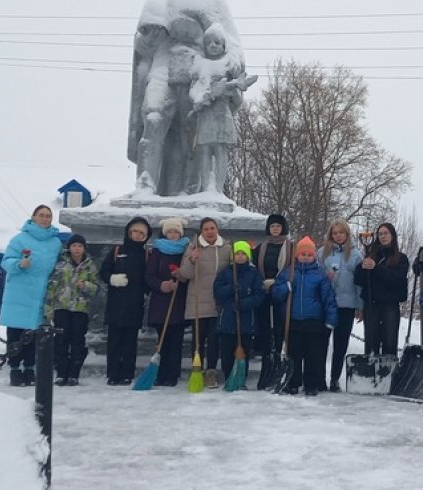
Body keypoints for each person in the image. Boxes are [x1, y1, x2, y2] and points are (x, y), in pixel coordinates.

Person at [127, 0, 243, 196]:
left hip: (196, 69)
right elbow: (142, 46)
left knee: (191, 132)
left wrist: (231, 61)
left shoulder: (213, 4)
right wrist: (148, 38)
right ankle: (145, 183)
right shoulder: (158, 3)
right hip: (163, 64)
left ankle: (189, 187)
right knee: (153, 117)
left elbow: (231, 42)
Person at [188, 23, 257, 193]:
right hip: (205, 115)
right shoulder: (200, 65)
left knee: (220, 150)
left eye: (217, 43)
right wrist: (206, 96)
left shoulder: (228, 66)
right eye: (209, 43)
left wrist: (230, 91)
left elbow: (237, 101)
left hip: (222, 114)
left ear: (223, 45)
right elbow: (194, 92)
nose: (212, 46)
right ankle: (205, 189)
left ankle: (218, 189)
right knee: (204, 149)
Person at [0, 205, 62, 387]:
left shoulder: (55, 242)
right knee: (16, 332)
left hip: (42, 290)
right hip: (20, 289)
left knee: (34, 333)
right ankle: (15, 369)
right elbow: (6, 261)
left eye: (48, 216)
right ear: (33, 217)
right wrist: (20, 264)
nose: (44, 218)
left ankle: (29, 367)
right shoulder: (19, 239)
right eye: (41, 215)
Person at [272, 236, 338, 396]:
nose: (306, 257)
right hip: (294, 320)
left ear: (314, 256)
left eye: (309, 255)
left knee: (312, 355)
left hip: (314, 321)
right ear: (297, 255)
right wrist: (285, 287)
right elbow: (276, 294)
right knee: (294, 353)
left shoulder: (320, 275)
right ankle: (293, 382)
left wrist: (331, 319)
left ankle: (311, 384)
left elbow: (328, 298)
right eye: (303, 254)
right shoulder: (289, 272)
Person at [178, 217, 231, 389]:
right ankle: (197, 370)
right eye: (206, 229)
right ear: (201, 231)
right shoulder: (193, 247)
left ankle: (211, 372)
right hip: (198, 301)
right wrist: (191, 260)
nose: (209, 232)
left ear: (217, 229)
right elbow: (185, 274)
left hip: (218, 302)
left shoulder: (226, 248)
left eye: (212, 228)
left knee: (214, 340)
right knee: (198, 340)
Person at [100, 217, 152, 385]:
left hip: (135, 304)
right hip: (116, 303)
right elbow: (103, 271)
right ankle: (113, 374)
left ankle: (127, 373)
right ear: (129, 232)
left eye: (142, 233)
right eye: (135, 231)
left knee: (130, 342)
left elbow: (148, 279)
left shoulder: (146, 255)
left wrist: (146, 290)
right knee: (114, 341)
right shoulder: (117, 251)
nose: (137, 235)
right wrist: (112, 279)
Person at [44, 234, 100, 387]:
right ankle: (61, 373)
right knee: (61, 341)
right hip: (62, 307)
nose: (77, 249)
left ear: (84, 248)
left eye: (80, 246)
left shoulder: (90, 266)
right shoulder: (61, 264)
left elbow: (96, 288)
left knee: (77, 341)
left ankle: (74, 374)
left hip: (80, 309)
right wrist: (49, 309)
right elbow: (52, 287)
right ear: (69, 247)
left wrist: (86, 285)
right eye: (74, 245)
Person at [317, 218, 363, 392]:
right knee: (322, 343)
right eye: (335, 233)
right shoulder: (322, 253)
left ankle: (334, 379)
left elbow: (360, 283)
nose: (338, 236)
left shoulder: (355, 254)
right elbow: (316, 276)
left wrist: (361, 306)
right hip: (327, 304)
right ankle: (319, 378)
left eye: (341, 233)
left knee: (340, 344)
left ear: (347, 234)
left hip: (347, 305)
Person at [144, 217, 190, 387]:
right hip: (161, 302)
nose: (172, 235)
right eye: (169, 232)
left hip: (178, 302)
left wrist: (182, 276)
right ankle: (160, 373)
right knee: (162, 341)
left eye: (175, 232)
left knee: (176, 341)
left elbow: (190, 272)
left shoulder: (185, 250)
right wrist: (162, 285)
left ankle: (172, 374)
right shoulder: (157, 251)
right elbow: (149, 276)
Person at [354, 223, 410, 356]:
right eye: (380, 234)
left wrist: (376, 268)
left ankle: (388, 372)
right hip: (372, 305)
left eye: (386, 233)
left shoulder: (401, 258)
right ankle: (369, 372)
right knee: (371, 342)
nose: (383, 236)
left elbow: (397, 278)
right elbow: (359, 280)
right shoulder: (371, 256)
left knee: (389, 342)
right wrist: (362, 267)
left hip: (390, 305)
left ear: (393, 236)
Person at [213, 240, 264, 385]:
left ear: (248, 256)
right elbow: (217, 291)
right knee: (227, 351)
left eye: (243, 254)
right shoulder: (225, 272)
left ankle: (241, 376)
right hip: (228, 319)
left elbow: (259, 294)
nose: (240, 256)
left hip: (246, 319)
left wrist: (244, 304)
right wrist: (231, 288)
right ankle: (229, 376)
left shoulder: (254, 274)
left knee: (244, 351)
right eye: (237, 254)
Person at [251, 214, 291, 362]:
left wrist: (277, 281)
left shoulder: (289, 247)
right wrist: (263, 282)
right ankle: (266, 353)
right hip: (263, 288)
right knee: (264, 324)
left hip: (280, 289)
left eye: (278, 226)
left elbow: (291, 268)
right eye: (272, 226)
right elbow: (254, 266)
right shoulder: (261, 247)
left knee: (280, 323)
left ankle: (278, 352)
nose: (275, 229)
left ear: (283, 228)